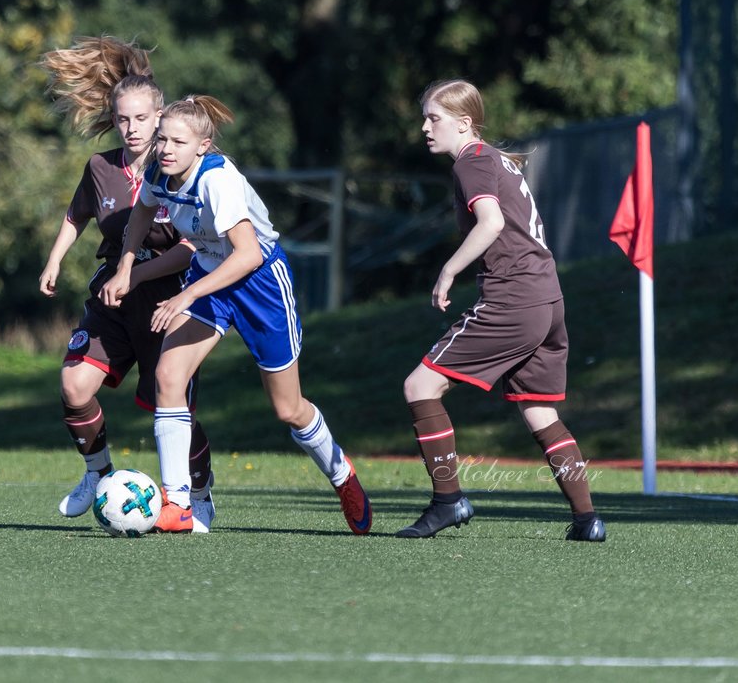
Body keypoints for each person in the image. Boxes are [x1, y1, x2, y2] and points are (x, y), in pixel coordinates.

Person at [100, 95, 371, 535]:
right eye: (162, 139)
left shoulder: (218, 181)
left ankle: (343, 476)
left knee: (288, 408)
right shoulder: (158, 172)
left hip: (259, 283)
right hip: (211, 279)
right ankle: (179, 503)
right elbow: (141, 215)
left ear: (203, 146)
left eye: (178, 142)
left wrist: (185, 297)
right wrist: (127, 268)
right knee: (168, 377)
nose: (166, 149)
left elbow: (246, 257)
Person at [395, 78, 606, 542]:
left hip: (514, 298)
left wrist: (448, 271)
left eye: (435, 118)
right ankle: (588, 519)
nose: (425, 127)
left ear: (464, 123)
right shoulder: (496, 160)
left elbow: (490, 222)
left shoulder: (472, 162)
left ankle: (448, 502)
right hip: (548, 299)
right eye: (425, 117)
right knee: (539, 412)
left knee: (420, 385)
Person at [38, 37, 216, 532]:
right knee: (74, 385)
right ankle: (98, 474)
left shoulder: (184, 169)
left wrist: (133, 274)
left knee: (173, 405)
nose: (132, 128)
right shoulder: (100, 167)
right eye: (123, 120)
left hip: (171, 300)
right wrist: (55, 260)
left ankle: (198, 494)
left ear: (161, 115)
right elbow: (77, 215)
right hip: (113, 298)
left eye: (142, 119)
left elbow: (192, 248)